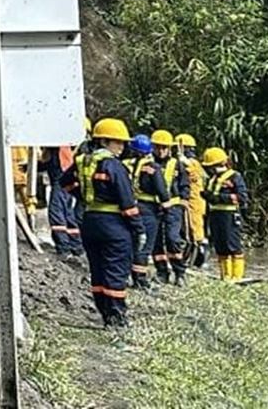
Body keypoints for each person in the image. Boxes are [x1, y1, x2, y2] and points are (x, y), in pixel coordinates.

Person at [61, 118, 140, 327]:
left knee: (98, 269)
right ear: (104, 141)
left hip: (90, 220)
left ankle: (105, 314)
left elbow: (65, 181)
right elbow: (127, 201)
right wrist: (138, 229)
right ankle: (117, 318)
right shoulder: (113, 165)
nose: (122, 147)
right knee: (115, 269)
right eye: (118, 142)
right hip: (114, 224)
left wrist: (83, 197)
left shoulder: (82, 161)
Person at [202, 147, 251, 282]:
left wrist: (221, 198)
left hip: (229, 215)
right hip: (215, 214)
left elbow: (242, 197)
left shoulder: (235, 177)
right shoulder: (212, 179)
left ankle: (237, 276)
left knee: (232, 245)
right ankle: (225, 275)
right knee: (220, 245)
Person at [149, 130, 189, 285]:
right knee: (156, 241)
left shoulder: (177, 165)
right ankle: (162, 272)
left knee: (173, 239)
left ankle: (180, 272)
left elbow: (184, 186)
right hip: (154, 206)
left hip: (173, 206)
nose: (161, 151)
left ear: (170, 148)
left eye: (164, 148)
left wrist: (182, 200)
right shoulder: (148, 164)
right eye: (158, 147)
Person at [128, 133, 164, 290]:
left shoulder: (127, 164)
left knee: (134, 242)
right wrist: (167, 207)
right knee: (146, 245)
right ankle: (140, 280)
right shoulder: (152, 168)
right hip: (149, 209)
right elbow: (162, 190)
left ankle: (132, 275)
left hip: (132, 207)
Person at [41, 144, 83, 258]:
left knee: (56, 214)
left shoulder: (59, 147)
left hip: (61, 181)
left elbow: (59, 166)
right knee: (68, 214)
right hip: (64, 182)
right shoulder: (61, 148)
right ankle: (76, 247)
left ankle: (64, 248)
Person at [176, 133, 209, 269]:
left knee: (195, 234)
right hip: (197, 202)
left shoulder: (191, 163)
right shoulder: (194, 164)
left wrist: (183, 161)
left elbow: (192, 172)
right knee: (195, 231)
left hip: (194, 203)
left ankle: (195, 261)